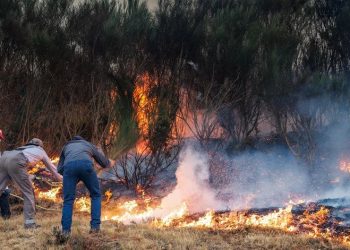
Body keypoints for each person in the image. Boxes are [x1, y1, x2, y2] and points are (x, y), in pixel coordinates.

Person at [0, 138, 62, 228]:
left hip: (4, 157)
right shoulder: (40, 150)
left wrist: (30, 176)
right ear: (40, 146)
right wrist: (65, 180)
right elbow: (54, 171)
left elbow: (19, 171)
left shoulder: (22, 148)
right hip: (16, 161)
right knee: (28, 193)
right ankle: (30, 223)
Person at [57, 135, 112, 234]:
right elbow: (103, 162)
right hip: (86, 166)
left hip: (69, 169)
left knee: (68, 200)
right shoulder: (88, 144)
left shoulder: (66, 146)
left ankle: (65, 232)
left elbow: (59, 169)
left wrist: (72, 175)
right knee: (96, 195)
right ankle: (95, 228)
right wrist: (109, 163)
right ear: (82, 140)